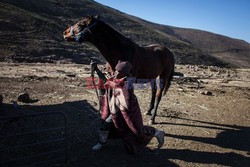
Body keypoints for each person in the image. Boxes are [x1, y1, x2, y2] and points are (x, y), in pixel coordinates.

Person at [91, 61, 165, 154]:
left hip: (126, 113)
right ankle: (102, 142)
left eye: (119, 71)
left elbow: (127, 100)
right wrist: (97, 70)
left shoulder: (127, 83)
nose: (116, 73)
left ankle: (156, 132)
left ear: (125, 73)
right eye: (116, 70)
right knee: (105, 126)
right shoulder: (116, 78)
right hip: (116, 111)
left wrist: (114, 88)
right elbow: (106, 81)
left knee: (137, 130)